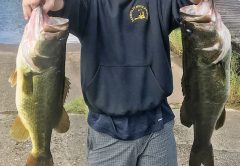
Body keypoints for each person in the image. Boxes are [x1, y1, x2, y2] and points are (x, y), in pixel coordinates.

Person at [22, 0, 201, 165]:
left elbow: (188, 3)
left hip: (157, 126)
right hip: (106, 132)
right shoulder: (88, 5)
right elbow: (63, 5)